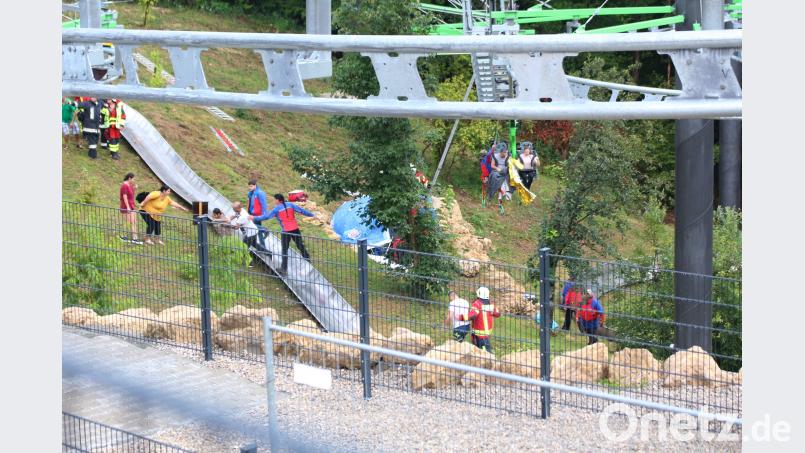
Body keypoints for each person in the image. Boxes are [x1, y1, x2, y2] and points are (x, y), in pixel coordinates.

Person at [264, 194, 314, 275]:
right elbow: (302, 211)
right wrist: (313, 215)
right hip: (295, 229)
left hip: (286, 231)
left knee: (284, 250)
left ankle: (284, 269)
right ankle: (307, 260)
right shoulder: (290, 204)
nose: (274, 201)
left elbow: (266, 217)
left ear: (278, 200)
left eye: (274, 200)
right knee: (300, 245)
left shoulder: (276, 209)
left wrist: (254, 218)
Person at [228, 201, 273, 268]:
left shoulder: (242, 216)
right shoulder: (242, 210)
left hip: (250, 233)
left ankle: (250, 262)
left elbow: (236, 227)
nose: (232, 209)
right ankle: (268, 253)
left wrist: (228, 225)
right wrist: (230, 218)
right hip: (254, 230)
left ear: (237, 208)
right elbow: (235, 215)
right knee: (255, 245)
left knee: (243, 247)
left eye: (233, 208)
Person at [459, 286, 501, 353]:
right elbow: (498, 314)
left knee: (483, 354)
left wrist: (461, 317)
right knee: (484, 352)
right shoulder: (490, 304)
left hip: (479, 335)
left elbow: (473, 315)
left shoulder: (477, 303)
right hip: (487, 334)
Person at [486, 143, 511, 214]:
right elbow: (492, 165)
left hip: (505, 171)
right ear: (500, 152)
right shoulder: (495, 156)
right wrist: (498, 168)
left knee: (505, 179)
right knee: (494, 177)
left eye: (506, 152)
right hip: (496, 170)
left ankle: (500, 198)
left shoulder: (508, 156)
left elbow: (510, 166)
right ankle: (491, 193)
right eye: (504, 153)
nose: (505, 154)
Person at [119, 173, 142, 244]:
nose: (134, 180)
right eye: (133, 179)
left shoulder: (129, 185)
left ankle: (134, 237)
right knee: (131, 222)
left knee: (134, 221)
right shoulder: (124, 185)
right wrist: (128, 207)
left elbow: (131, 195)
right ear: (129, 178)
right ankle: (131, 237)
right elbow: (124, 196)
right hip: (126, 207)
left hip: (132, 206)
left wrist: (134, 188)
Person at [246, 179, 269, 247]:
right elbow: (250, 203)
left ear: (255, 186)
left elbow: (264, 204)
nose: (249, 187)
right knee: (257, 231)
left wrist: (264, 214)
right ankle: (262, 246)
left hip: (257, 214)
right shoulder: (251, 193)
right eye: (249, 186)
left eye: (251, 186)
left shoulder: (260, 193)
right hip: (252, 213)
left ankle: (264, 230)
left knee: (254, 228)